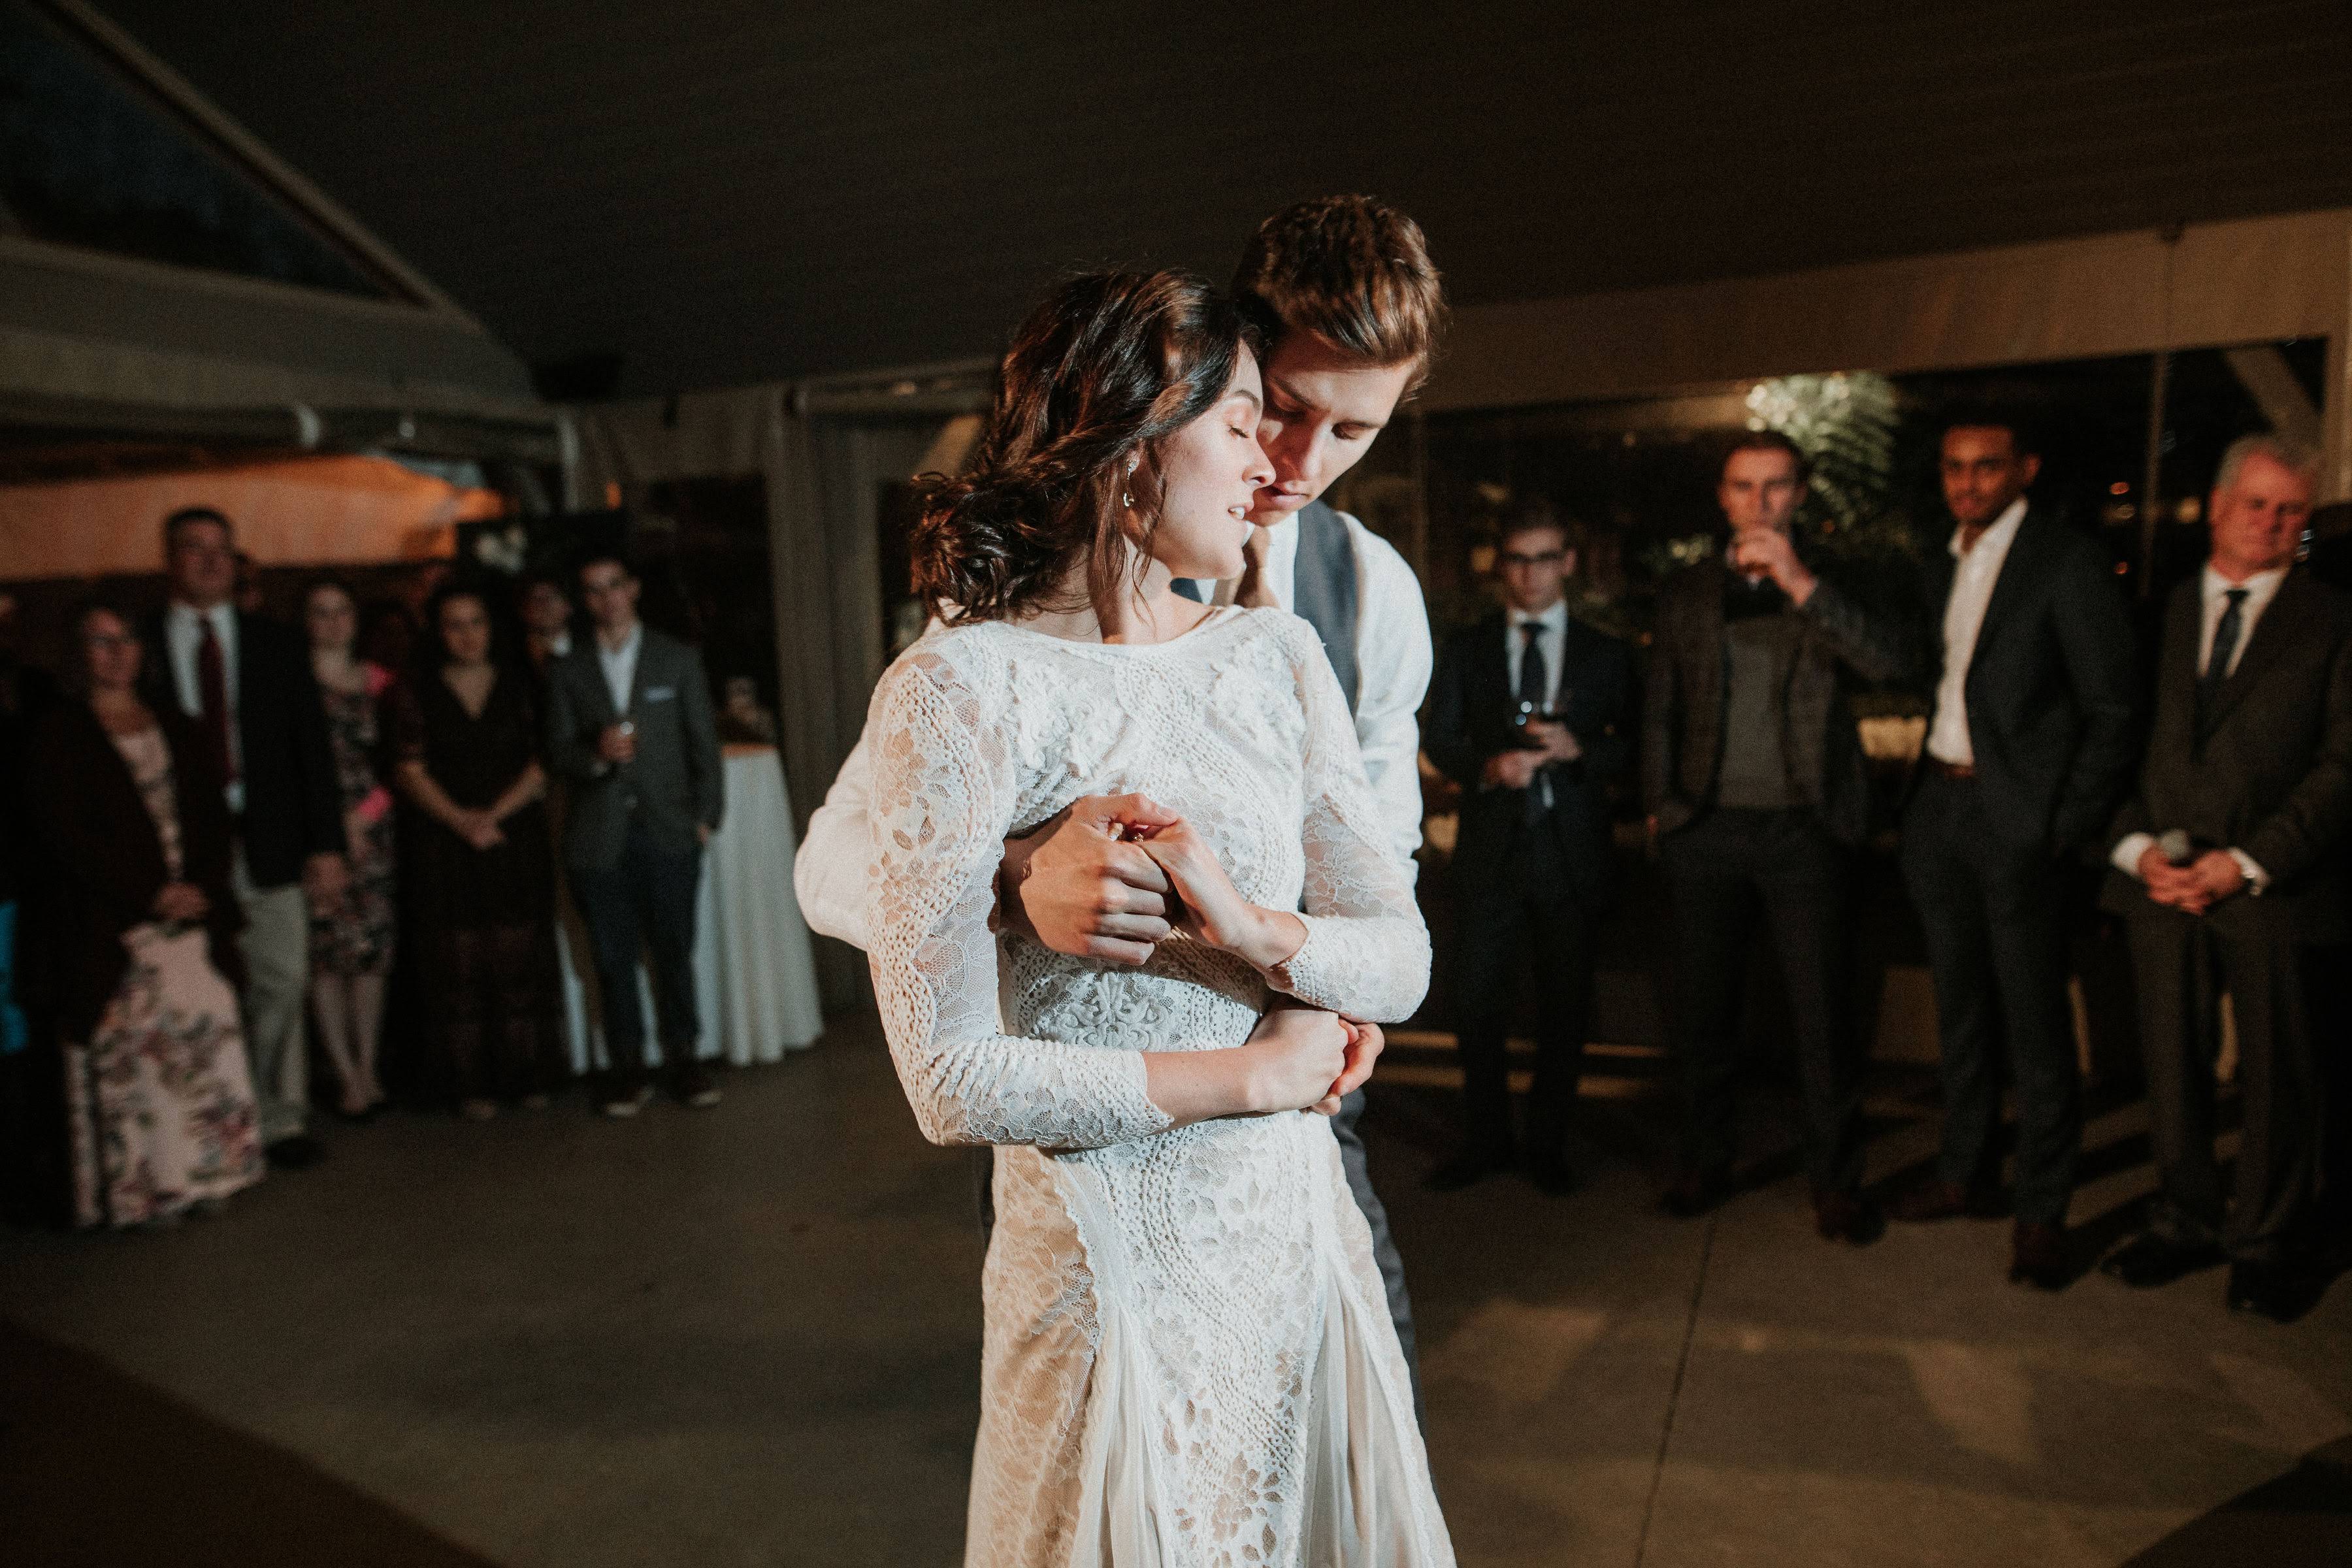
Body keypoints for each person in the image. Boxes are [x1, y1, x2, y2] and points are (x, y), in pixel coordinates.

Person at [796, 195, 1445, 1388]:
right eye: (1282, 412)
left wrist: (1328, 990)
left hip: (1301, 1119)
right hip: (1093, 1134)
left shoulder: (1372, 598)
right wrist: (1007, 879)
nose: (1297, 466)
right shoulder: (1001, 634)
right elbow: (837, 851)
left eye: (1353, 434)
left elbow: (1382, 881)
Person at [2096, 435, 2352, 1321]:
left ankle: (2264, 1243)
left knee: (2281, 1075)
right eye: (2259, 505)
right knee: (2171, 1063)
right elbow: (2108, 746)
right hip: (2157, 884)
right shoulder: (2151, 612)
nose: (2275, 525)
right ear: (2217, 507)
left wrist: (2245, 865)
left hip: (2275, 888)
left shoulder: (2334, 619)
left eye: (2293, 512)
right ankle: (2186, 1221)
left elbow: (2343, 767)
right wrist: (2136, 852)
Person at [1643, 433, 1917, 1242]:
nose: (1758, 502)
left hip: (1806, 831)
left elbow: (1888, 664)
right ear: (1723, 498)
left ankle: (1836, 1183)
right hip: (1707, 828)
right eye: (1743, 487)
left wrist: (1800, 583)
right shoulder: (1689, 592)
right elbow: (1661, 704)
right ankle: (1706, 1161)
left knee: (1823, 1017)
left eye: (1775, 487)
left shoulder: (1835, 585)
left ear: (1799, 495)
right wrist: (1663, 806)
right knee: (1705, 1015)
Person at [1891, 410, 2140, 1290]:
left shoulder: (2064, 562)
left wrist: (2057, 823)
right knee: (1961, 1013)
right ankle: (1965, 1172)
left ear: (2024, 469)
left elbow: (2114, 708)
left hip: (2017, 823)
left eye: (1987, 467)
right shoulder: (1944, 555)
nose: (1968, 483)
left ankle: (2043, 1209)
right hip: (1943, 811)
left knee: (2035, 1028)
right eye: (1955, 467)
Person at [27, 598, 263, 1226]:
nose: (116, 653)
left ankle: (212, 1173)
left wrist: (201, 888)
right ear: (79, 655)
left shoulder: (177, 724)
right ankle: (152, 1189)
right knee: (140, 1058)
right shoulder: (57, 731)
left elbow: (212, 818)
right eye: (100, 642)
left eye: (126, 638)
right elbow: (64, 835)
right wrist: (149, 893)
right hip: (114, 923)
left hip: (191, 915)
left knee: (201, 1045)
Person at [1423, 501, 1634, 1194]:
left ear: (1567, 563)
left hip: (1570, 855)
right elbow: (1440, 737)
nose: (1531, 573)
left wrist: (1584, 753)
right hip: (1492, 852)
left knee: (1564, 1010)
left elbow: (1636, 750)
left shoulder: (1607, 652)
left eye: (1545, 558)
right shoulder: (1469, 646)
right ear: (1502, 567)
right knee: (1476, 1002)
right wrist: (1488, 767)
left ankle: (1546, 1147)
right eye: (1518, 559)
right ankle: (1487, 1141)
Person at [140, 508, 348, 1169]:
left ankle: (273, 1114)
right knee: (193, 986)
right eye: (193, 549)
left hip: (270, 835)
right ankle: (206, 1118)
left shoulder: (274, 643)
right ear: (169, 561)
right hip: (179, 846)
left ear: (236, 562)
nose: (208, 561)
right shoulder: (141, 645)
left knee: (282, 976)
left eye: (221, 551)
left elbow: (311, 750)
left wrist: (327, 845)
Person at [544, 551, 725, 1116]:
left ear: (634, 588)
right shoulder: (567, 668)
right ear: (585, 600)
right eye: (593, 590)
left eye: (614, 586)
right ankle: (627, 1066)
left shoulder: (677, 659)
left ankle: (685, 1058)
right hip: (597, 837)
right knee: (610, 956)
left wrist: (705, 819)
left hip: (670, 831)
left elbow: (704, 746)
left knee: (674, 950)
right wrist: (595, 756)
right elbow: (556, 751)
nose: (606, 598)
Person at [395, 585, 563, 1119]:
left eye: (476, 622)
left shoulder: (524, 682)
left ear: (493, 626)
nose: (467, 635)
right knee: (457, 966)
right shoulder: (415, 689)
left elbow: (546, 761)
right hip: (445, 842)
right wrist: (462, 821)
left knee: (520, 959)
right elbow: (408, 769)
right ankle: (471, 1086)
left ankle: (529, 1076)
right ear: (437, 632)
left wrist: (493, 816)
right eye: (453, 624)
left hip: (513, 836)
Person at [302, 579, 397, 1119]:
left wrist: (364, 817)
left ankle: (370, 1064)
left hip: (374, 829)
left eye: (343, 611)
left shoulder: (383, 683)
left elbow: (399, 760)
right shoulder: (293, 686)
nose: (334, 622)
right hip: (316, 836)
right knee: (325, 958)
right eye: (322, 611)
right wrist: (328, 830)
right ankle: (344, 1074)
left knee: (370, 955)